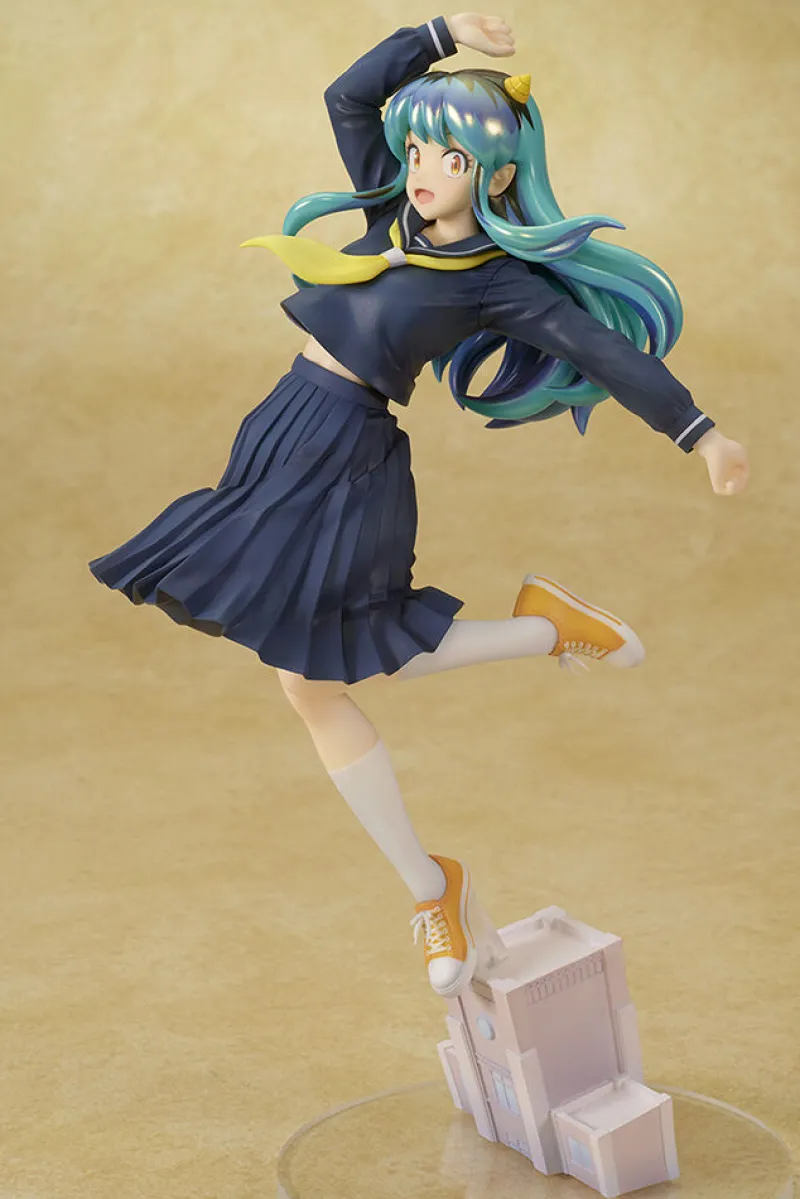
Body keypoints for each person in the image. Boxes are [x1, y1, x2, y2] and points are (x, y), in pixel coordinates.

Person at [88, 13, 749, 998]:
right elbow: (348, 96)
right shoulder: (387, 208)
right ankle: (525, 678)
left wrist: (698, 431)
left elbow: (604, 352)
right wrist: (438, 31)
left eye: (452, 155)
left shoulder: (496, 284)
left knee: (334, 666)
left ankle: (438, 874)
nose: (425, 168)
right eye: (420, 148)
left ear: (494, 175)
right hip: (282, 427)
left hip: (347, 457)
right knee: (317, 678)